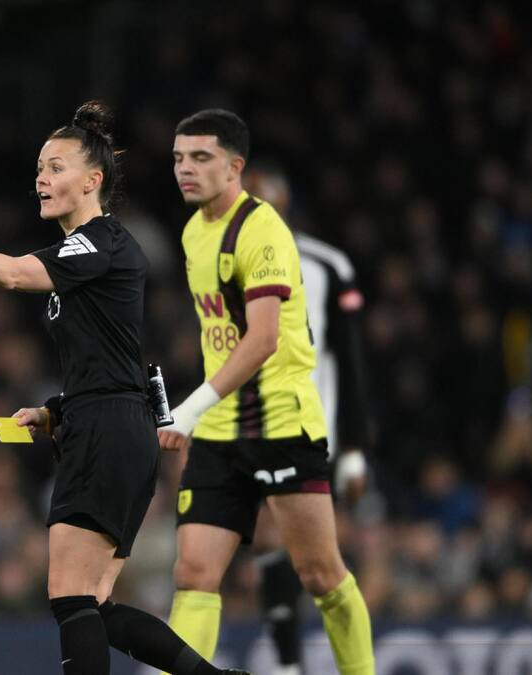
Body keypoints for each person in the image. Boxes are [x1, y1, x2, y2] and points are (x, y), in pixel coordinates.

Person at [0, 101, 247, 675]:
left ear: (92, 180)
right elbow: (110, 357)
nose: (41, 179)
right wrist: (54, 412)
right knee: (94, 602)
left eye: (55, 167)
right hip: (111, 424)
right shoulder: (86, 258)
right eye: (39, 168)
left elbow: (10, 274)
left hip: (109, 431)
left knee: (70, 598)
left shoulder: (102, 242)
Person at [158, 109, 373, 675]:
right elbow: (218, 332)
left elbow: (263, 340)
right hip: (220, 433)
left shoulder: (263, 230)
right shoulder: (191, 232)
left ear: (235, 167)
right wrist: (203, 414)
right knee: (195, 575)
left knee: (322, 576)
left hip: (281, 426)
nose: (186, 169)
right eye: (179, 157)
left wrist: (188, 410)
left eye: (200, 158)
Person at [241, 163, 373, 675]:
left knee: (320, 562)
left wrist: (357, 447)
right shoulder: (224, 264)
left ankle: (347, 662)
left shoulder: (325, 265)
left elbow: (352, 361)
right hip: (251, 426)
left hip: (316, 430)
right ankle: (289, 663)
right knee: (271, 540)